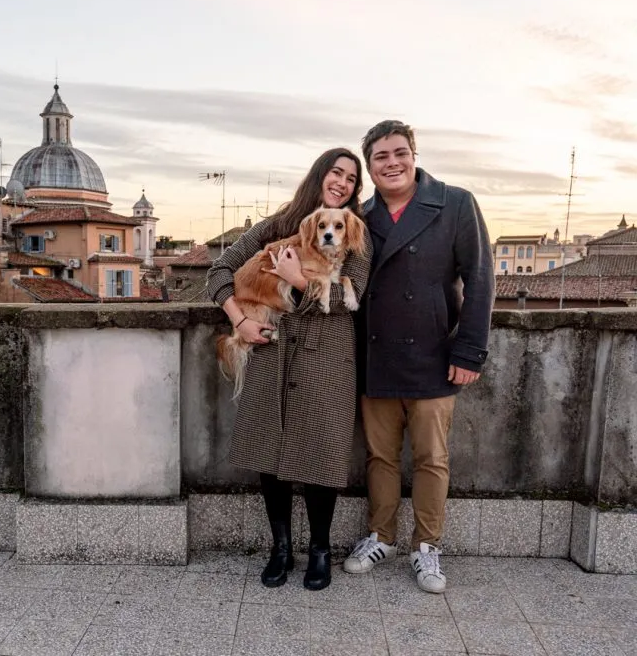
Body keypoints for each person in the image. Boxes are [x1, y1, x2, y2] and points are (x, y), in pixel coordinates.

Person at [207, 148, 373, 590]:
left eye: (351, 179)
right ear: (319, 175)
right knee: (269, 450)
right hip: (271, 351)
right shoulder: (278, 226)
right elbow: (218, 272)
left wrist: (300, 281)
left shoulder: (356, 234)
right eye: (335, 172)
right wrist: (239, 319)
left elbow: (348, 301)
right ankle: (280, 549)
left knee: (323, 452)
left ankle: (320, 550)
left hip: (328, 355)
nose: (342, 182)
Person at [342, 120, 494, 594]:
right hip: (376, 357)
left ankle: (427, 546)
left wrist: (469, 350)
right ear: (370, 167)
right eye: (381, 156)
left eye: (399, 152)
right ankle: (380, 536)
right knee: (380, 457)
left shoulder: (455, 203)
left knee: (432, 459)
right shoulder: (359, 216)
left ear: (414, 154)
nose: (392, 162)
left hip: (433, 354)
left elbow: (481, 280)